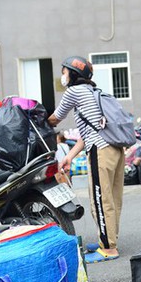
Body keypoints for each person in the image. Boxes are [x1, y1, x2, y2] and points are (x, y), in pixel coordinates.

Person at [48, 56, 124, 264]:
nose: (62, 75)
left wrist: (33, 118)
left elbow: (55, 118)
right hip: (115, 149)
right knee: (113, 198)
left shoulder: (74, 91)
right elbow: (86, 133)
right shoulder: (93, 92)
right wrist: (70, 157)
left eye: (64, 71)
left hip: (100, 150)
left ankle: (108, 248)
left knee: (100, 198)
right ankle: (108, 240)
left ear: (73, 73)